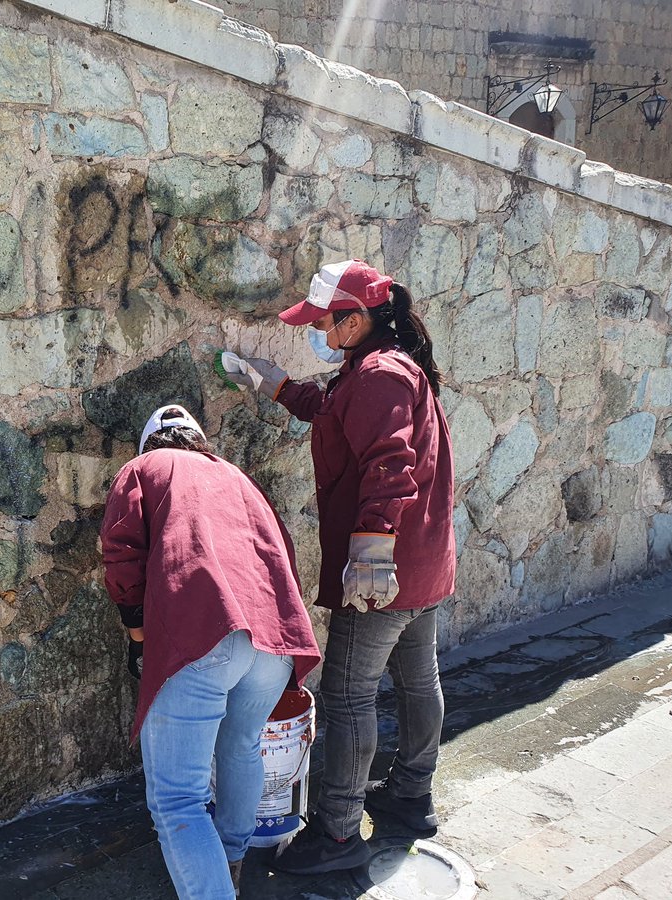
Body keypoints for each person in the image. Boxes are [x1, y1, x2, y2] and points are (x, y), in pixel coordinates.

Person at [222, 259, 456, 875]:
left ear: (355, 320)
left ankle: (338, 833)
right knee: (415, 679)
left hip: (386, 572)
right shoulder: (379, 368)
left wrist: (372, 551)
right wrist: (273, 384)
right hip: (424, 566)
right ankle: (411, 797)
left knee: (349, 695)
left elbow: (388, 463)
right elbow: (333, 414)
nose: (320, 335)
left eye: (325, 323)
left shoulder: (379, 376)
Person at [101, 404, 323, 900]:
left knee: (178, 801)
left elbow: (122, 552)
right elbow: (281, 551)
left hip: (202, 635)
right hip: (271, 640)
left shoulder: (143, 470)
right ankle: (230, 861)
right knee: (241, 746)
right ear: (198, 442)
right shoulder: (238, 478)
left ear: (148, 446)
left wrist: (138, 634)